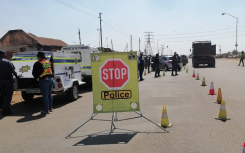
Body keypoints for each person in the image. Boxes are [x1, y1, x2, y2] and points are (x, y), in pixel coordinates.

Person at [0, 50, 19, 116]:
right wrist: (17, 77)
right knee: (8, 95)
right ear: (4, 55)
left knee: (4, 94)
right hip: (7, 81)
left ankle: (3, 106)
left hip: (0, 81)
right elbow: (13, 71)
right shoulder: (7, 62)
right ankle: (6, 110)